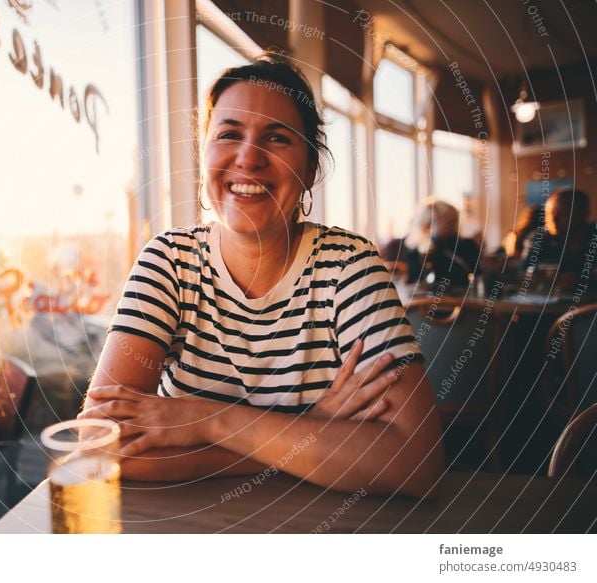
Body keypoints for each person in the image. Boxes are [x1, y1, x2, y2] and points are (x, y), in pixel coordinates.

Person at [80, 54, 443, 497]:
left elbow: (415, 460)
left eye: (277, 138)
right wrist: (308, 432)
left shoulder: (349, 266)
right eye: (229, 134)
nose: (249, 158)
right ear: (205, 156)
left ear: (310, 171)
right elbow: (102, 444)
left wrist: (210, 420)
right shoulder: (169, 262)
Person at [519, 189, 596, 290]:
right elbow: (522, 273)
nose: (553, 219)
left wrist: (579, 279)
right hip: (551, 301)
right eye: (549, 213)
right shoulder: (538, 238)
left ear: (584, 213)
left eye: (562, 213)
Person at [403, 200, 480, 288]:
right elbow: (415, 279)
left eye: (453, 221)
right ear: (426, 224)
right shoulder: (416, 249)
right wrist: (434, 241)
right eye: (447, 222)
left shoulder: (467, 245)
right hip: (424, 299)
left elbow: (476, 274)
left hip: (459, 298)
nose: (451, 226)